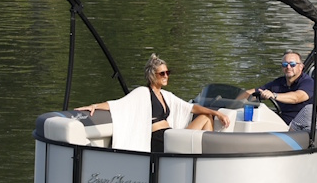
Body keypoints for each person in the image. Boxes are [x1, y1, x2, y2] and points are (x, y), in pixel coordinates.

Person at [79, 54, 226, 151]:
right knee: (205, 118)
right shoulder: (143, 93)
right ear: (152, 76)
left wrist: (217, 113)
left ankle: (207, 155)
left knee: (207, 117)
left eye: (168, 73)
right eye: (162, 73)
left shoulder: (166, 96)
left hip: (171, 134)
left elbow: (190, 108)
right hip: (160, 139)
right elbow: (119, 105)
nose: (166, 76)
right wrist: (95, 106)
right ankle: (209, 156)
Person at [250, 51, 315, 122]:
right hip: (281, 122)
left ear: (301, 67)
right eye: (285, 64)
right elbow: (254, 91)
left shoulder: (308, 82)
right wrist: (242, 99)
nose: (288, 67)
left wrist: (274, 95)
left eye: (292, 64)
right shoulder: (279, 82)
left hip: (302, 125)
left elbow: (297, 97)